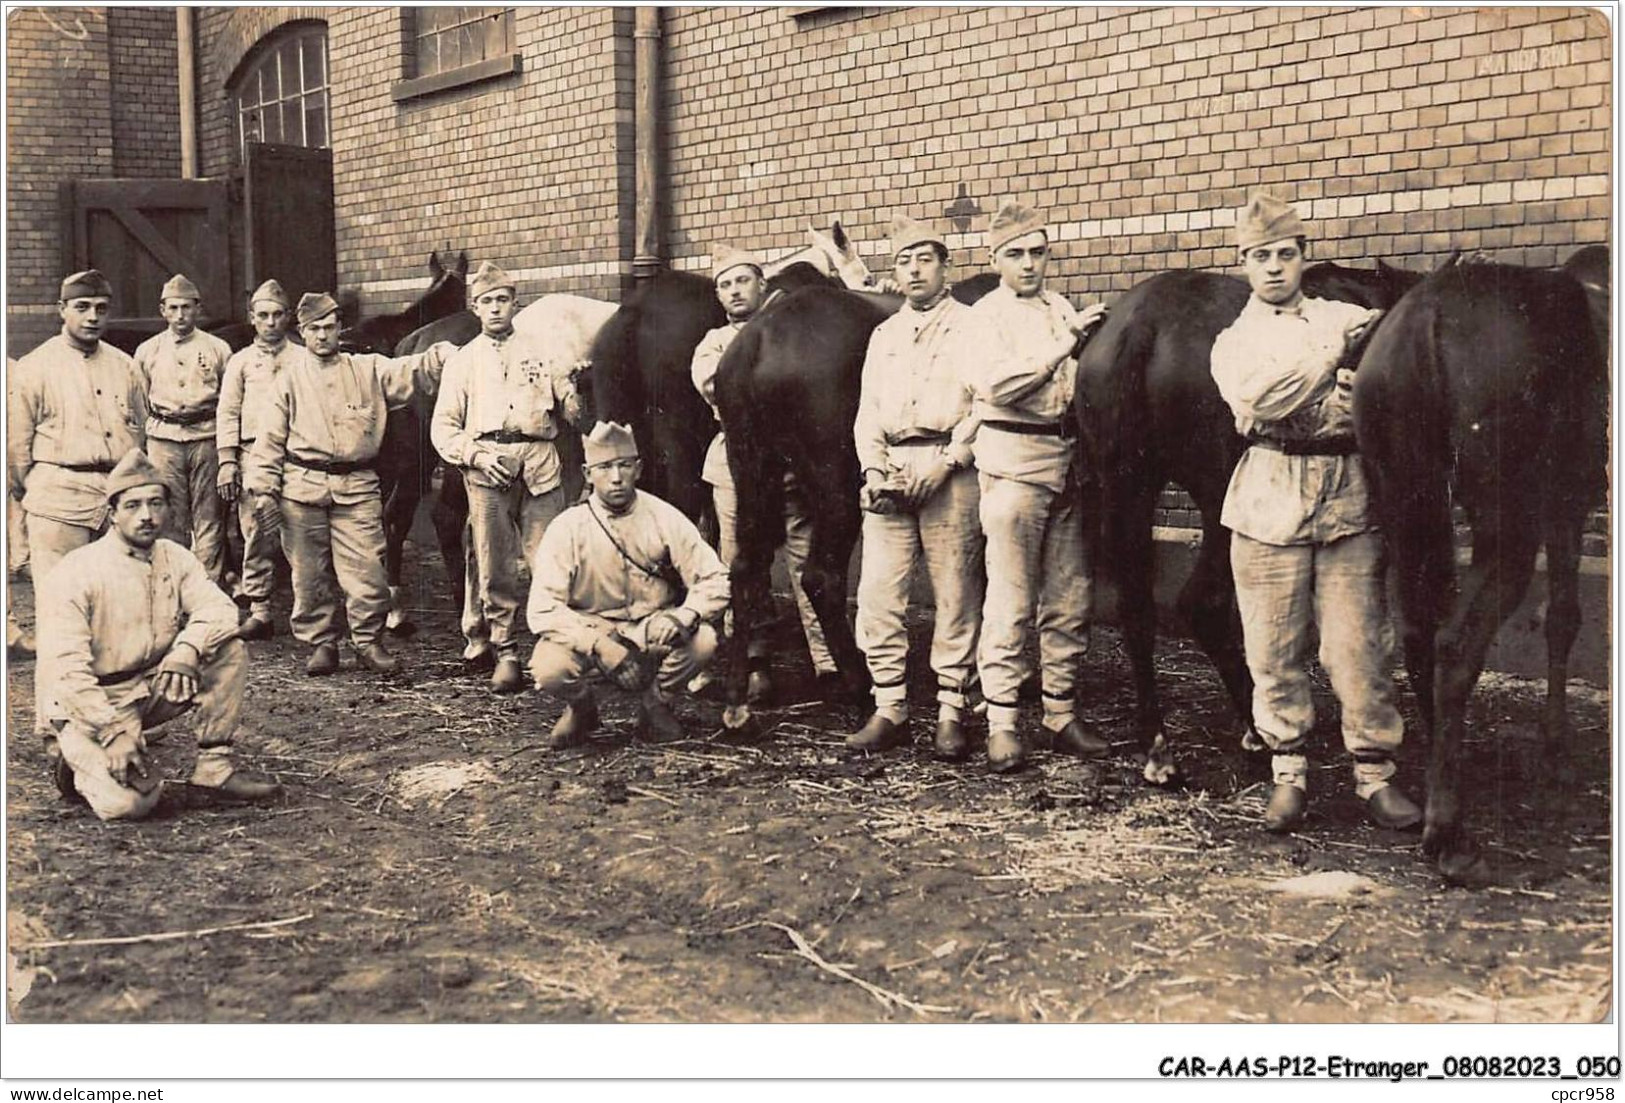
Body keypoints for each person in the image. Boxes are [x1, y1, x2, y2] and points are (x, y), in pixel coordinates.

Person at [1209, 192, 1422, 833]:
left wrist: (1361, 386)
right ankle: (1288, 774)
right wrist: (1332, 362)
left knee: (1361, 645)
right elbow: (1265, 401)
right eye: (1260, 257)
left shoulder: (1345, 313)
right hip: (1270, 489)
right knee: (1272, 645)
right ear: (1243, 264)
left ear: (1305, 257)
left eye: (1286, 253)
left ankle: (1374, 773)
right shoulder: (1234, 338)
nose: (1274, 267)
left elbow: (1391, 383)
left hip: (1347, 488)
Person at [35, 448, 281, 820]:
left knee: (226, 648)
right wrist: (112, 730)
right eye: (132, 506)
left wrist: (187, 650)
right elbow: (66, 672)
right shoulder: (77, 573)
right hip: (90, 701)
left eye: (156, 503)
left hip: (151, 685)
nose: (147, 516)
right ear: (112, 514)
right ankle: (73, 764)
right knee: (131, 806)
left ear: (169, 509)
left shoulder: (174, 556)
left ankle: (213, 772)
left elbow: (220, 610)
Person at [961, 204, 1109, 773]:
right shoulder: (986, 317)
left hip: (1067, 461)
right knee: (1011, 599)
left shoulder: (1060, 307)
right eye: (1016, 254)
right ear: (994, 259)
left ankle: (1060, 712)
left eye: (1038, 252)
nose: (1029, 264)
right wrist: (1065, 343)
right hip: (1014, 465)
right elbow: (1000, 384)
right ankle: (1001, 721)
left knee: (1070, 598)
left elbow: (1074, 384)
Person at [243, 291, 454, 676]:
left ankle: (368, 641)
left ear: (341, 328)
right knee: (309, 575)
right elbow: (268, 441)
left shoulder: (368, 369)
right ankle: (322, 643)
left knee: (369, 572)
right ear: (302, 333)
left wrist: (442, 355)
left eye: (329, 327)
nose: (323, 336)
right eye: (314, 329)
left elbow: (413, 371)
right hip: (301, 489)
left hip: (356, 488)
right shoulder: (287, 381)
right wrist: (264, 490)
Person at [845, 214, 984, 759]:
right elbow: (867, 412)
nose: (915, 270)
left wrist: (948, 460)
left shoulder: (972, 326)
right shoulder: (884, 335)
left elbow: (984, 403)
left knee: (955, 592)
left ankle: (952, 709)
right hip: (894, 468)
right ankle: (891, 707)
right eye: (904, 261)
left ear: (945, 267)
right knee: (879, 594)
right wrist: (875, 472)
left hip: (949, 467)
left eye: (926, 259)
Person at [431, 261, 584, 692]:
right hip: (488, 467)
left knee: (550, 560)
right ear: (475, 308)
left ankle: (552, 647)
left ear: (515, 303)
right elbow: (444, 427)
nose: (495, 308)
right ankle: (506, 650)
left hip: (538, 463)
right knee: (495, 565)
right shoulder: (463, 361)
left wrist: (577, 392)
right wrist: (476, 456)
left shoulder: (543, 350)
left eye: (502, 299)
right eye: (486, 302)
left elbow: (570, 410)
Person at [527, 422, 730, 747]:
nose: (616, 477)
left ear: (639, 468)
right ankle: (582, 708)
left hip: (651, 628)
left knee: (703, 639)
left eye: (624, 465)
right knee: (549, 667)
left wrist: (685, 613)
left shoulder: (664, 516)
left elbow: (716, 578)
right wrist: (599, 645)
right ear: (587, 473)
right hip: (592, 628)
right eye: (605, 467)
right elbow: (542, 609)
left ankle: (656, 704)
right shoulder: (567, 527)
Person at [690, 245, 835, 700]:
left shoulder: (793, 334)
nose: (735, 291)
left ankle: (827, 658)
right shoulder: (713, 343)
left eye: (743, 281)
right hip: (738, 461)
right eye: (726, 285)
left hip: (792, 460)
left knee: (804, 554)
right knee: (742, 561)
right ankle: (752, 656)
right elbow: (720, 386)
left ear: (762, 285)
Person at [8, 270, 149, 590]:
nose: (92, 317)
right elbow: (17, 446)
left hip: (115, 501)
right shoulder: (35, 366)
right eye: (82, 307)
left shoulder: (124, 365)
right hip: (58, 500)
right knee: (61, 602)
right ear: (62, 309)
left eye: (101, 309)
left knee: (118, 604)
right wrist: (35, 490)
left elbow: (142, 432)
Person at [133, 273, 233, 583]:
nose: (180, 315)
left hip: (207, 436)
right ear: (162, 310)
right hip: (164, 439)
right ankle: (172, 587)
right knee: (168, 516)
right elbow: (140, 404)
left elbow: (229, 402)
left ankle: (208, 589)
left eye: (186, 308)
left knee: (209, 518)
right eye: (173, 308)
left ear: (198, 309)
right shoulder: (147, 351)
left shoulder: (217, 348)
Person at [217, 279, 300, 640]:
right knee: (256, 534)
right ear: (252, 318)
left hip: (296, 456)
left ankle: (307, 611)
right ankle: (261, 609)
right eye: (263, 315)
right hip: (253, 455)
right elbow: (228, 411)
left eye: (278, 315)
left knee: (300, 534)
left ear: (289, 318)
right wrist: (227, 460)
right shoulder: (240, 363)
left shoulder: (302, 357)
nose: (271, 322)